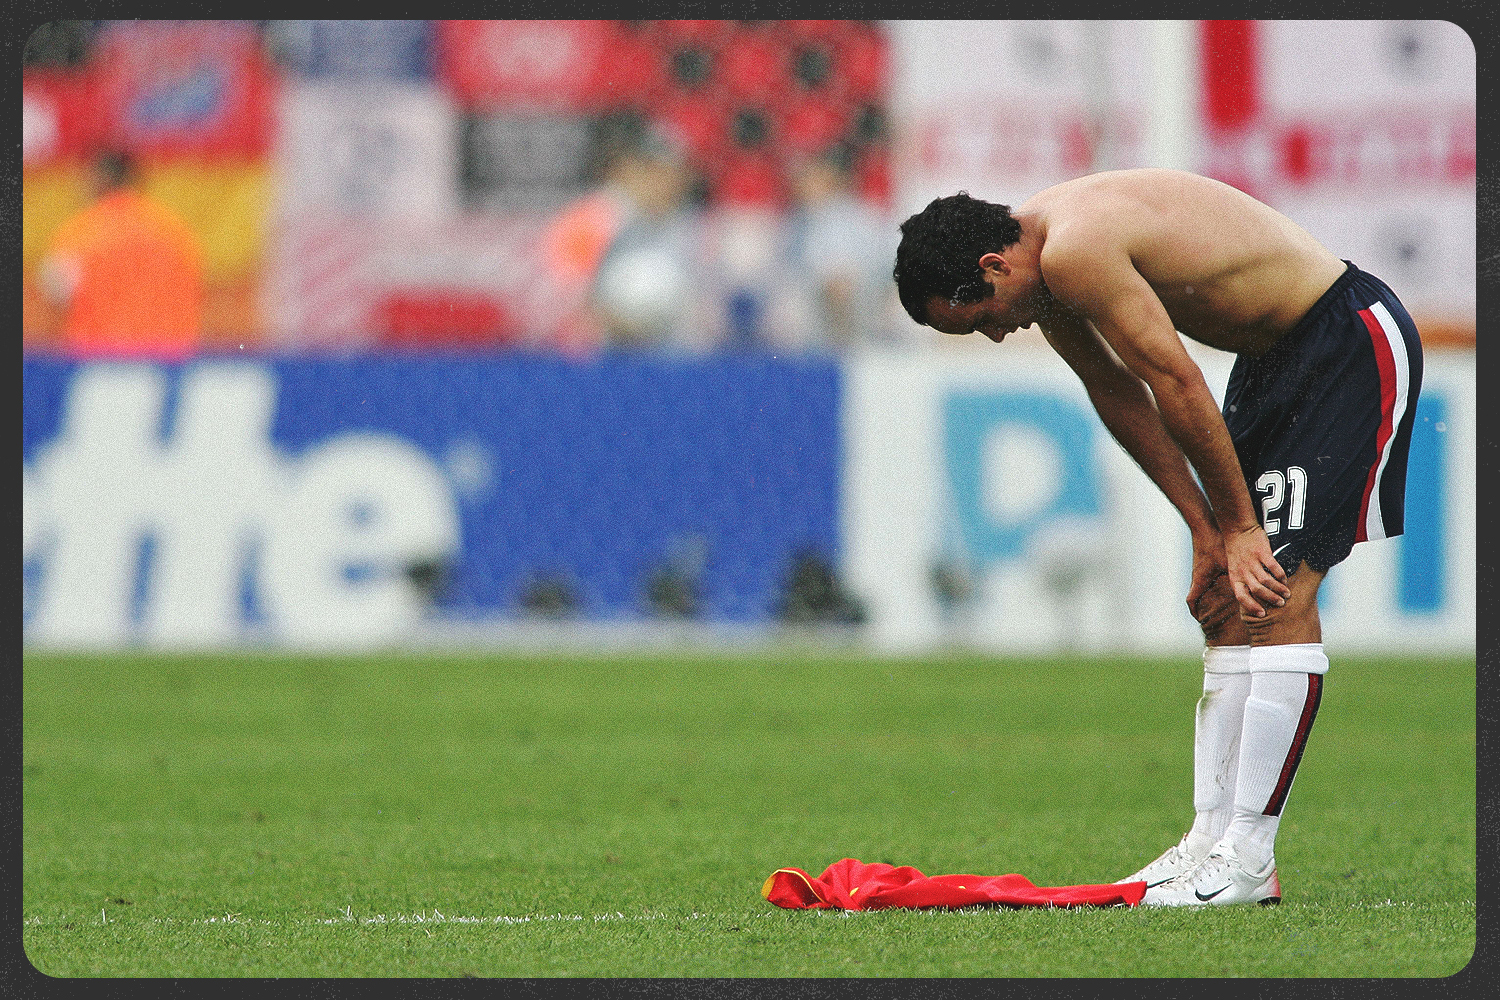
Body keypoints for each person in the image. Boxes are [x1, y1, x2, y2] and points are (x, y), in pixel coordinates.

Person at [892, 168, 1423, 907]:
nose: (993, 332)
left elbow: (1172, 377)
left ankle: (1248, 854)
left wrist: (1239, 528)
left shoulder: (1077, 250)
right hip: (1273, 362)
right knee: (1233, 606)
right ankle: (1210, 842)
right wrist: (1206, 531)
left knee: (1277, 588)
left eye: (979, 316)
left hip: (1345, 341)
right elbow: (1118, 394)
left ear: (992, 266)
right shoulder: (1047, 277)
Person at [38, 148, 205, 359]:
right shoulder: (174, 230)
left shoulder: (82, 230)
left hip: (100, 364)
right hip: (169, 363)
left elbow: (55, 295)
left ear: (100, 178)